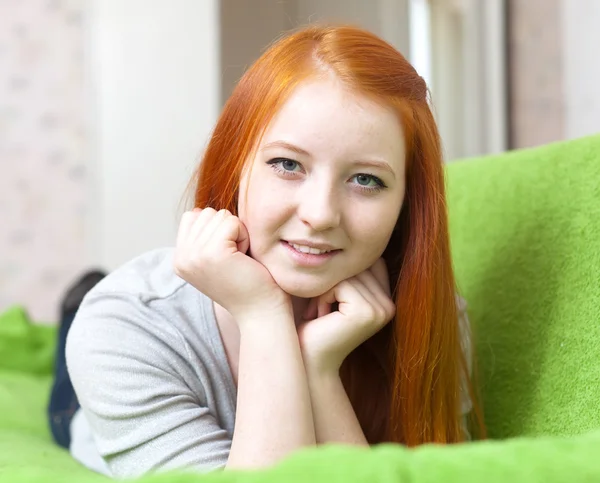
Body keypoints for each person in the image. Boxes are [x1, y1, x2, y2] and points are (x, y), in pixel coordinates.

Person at [49, 24, 485, 478]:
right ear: (236, 164)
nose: (320, 215)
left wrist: (319, 372)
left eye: (366, 180)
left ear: (406, 206)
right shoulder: (122, 330)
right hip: (88, 393)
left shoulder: (435, 319)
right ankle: (75, 303)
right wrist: (262, 314)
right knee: (69, 381)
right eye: (287, 164)